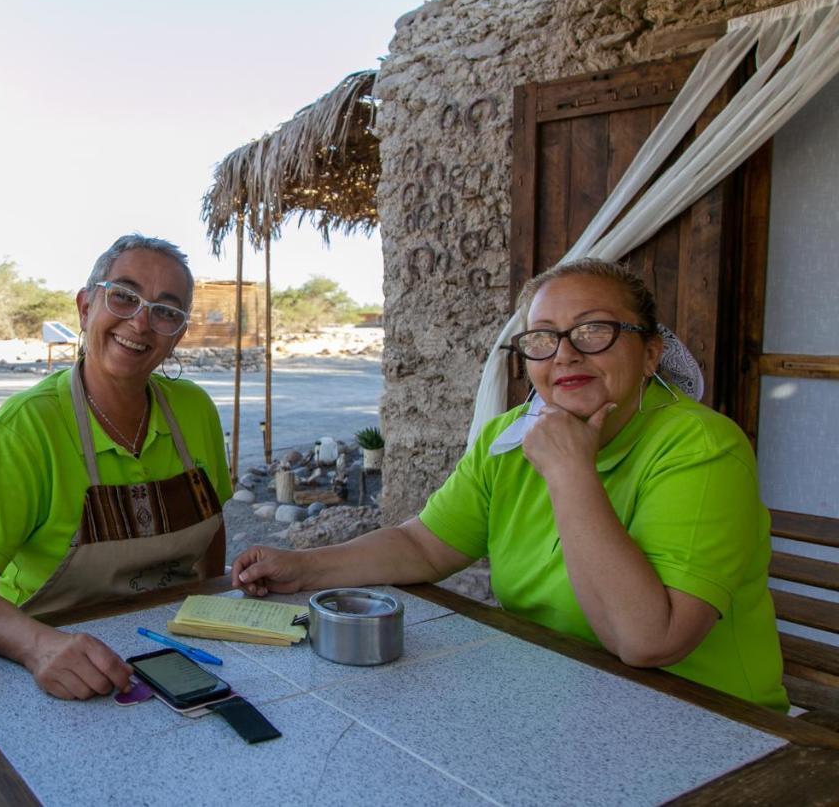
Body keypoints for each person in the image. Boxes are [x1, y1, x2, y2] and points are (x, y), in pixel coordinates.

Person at [232, 258, 787, 711]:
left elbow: (650, 641)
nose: (566, 352)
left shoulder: (700, 447)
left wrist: (571, 471)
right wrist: (304, 565)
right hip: (557, 697)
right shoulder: (509, 438)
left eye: (594, 330)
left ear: (650, 354)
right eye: (542, 338)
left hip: (705, 719)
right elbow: (425, 545)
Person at [0, 234, 233, 700]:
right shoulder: (27, 427)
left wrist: (212, 602)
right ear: (86, 306)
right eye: (124, 297)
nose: (141, 322)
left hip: (168, 647)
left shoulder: (195, 410)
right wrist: (38, 647)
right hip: (45, 656)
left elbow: (213, 529)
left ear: (178, 336)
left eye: (166, 311)